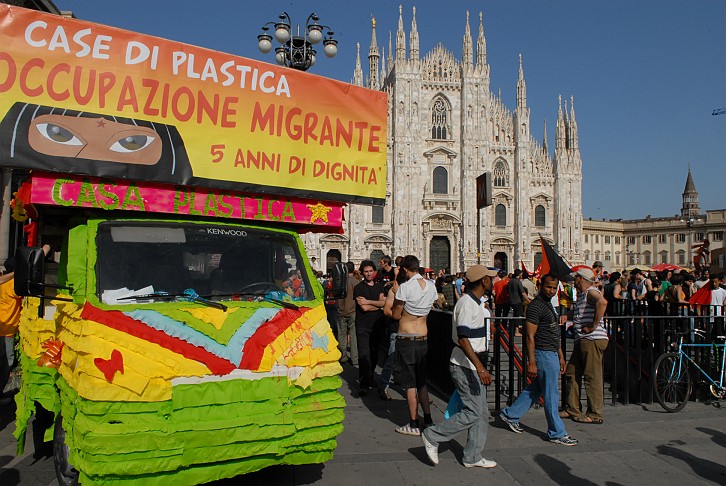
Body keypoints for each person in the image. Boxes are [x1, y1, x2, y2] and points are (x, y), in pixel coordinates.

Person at [421, 265, 498, 468]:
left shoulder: (477, 303)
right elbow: (463, 339)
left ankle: (472, 456)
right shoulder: (466, 304)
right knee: (473, 411)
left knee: (481, 412)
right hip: (465, 366)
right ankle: (433, 435)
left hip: (473, 364)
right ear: (484, 281)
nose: (493, 281)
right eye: (490, 278)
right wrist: (480, 368)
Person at [499, 274, 578, 446]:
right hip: (543, 354)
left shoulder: (548, 305)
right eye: (548, 287)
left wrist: (561, 356)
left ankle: (510, 414)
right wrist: (532, 361)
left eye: (553, 287)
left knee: (536, 389)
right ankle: (556, 432)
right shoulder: (536, 307)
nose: (551, 290)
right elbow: (529, 336)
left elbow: (554, 333)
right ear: (541, 286)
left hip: (552, 352)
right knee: (551, 394)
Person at [390, 255, 438, 435]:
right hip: (423, 339)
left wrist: (395, 294)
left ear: (404, 269)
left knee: (410, 384)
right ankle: (429, 419)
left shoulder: (405, 288)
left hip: (407, 340)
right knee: (422, 382)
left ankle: (413, 423)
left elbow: (395, 315)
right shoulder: (432, 287)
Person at [561, 267, 609, 424]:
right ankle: (572, 408)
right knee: (572, 372)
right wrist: (566, 316)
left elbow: (602, 302)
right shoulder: (582, 295)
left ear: (581, 279)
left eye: (575, 278)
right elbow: (579, 313)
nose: (573, 281)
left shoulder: (591, 292)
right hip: (582, 339)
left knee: (592, 376)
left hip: (592, 339)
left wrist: (593, 326)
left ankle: (595, 413)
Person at [353, 260, 386, 397]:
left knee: (374, 354)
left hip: (377, 325)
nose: (368, 273)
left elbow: (384, 304)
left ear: (374, 272)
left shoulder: (379, 287)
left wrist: (370, 302)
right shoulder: (359, 288)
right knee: (364, 354)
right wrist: (377, 305)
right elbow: (364, 308)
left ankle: (371, 377)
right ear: (362, 273)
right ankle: (363, 384)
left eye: (371, 271)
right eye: (366, 271)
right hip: (363, 326)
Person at [0, 258, 21, 404]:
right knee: (6, 363)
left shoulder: (3, 282)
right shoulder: (12, 284)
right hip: (6, 330)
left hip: (4, 328)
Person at [336, 262, 360, 366]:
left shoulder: (340, 282)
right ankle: (355, 359)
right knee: (353, 336)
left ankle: (343, 357)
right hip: (353, 311)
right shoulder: (356, 282)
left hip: (341, 311)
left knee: (341, 335)